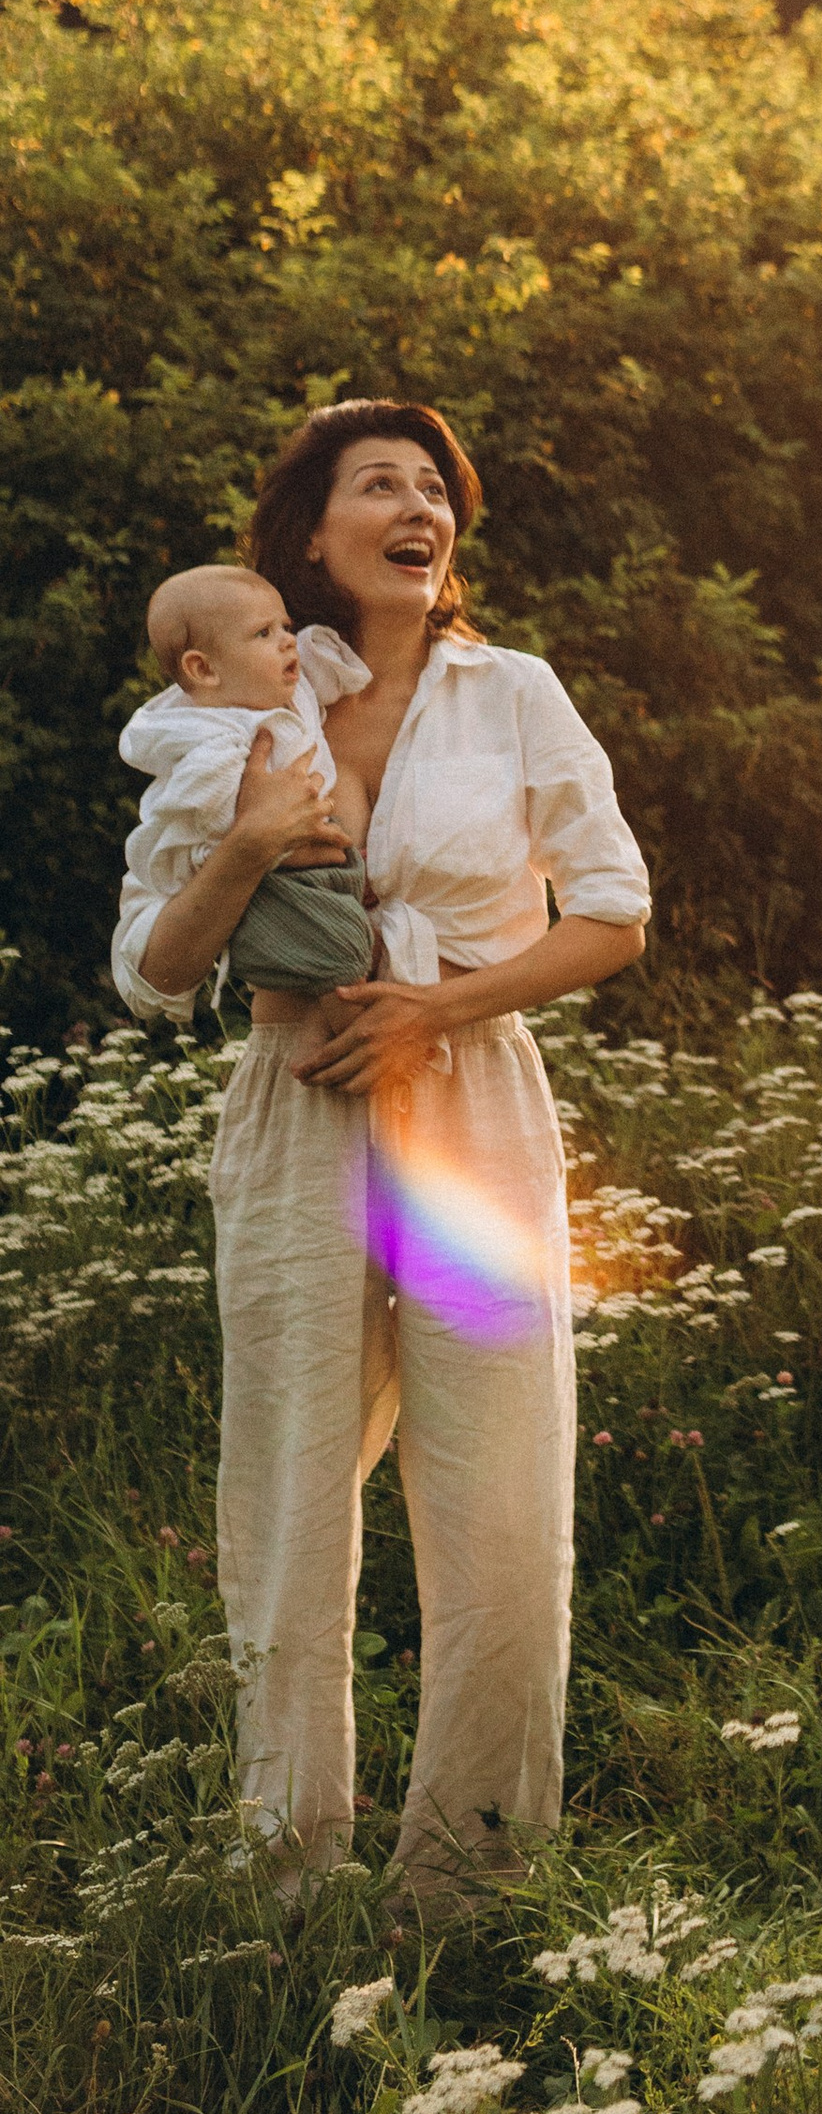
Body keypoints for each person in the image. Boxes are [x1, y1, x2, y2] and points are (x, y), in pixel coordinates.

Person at [114, 401, 650, 1909]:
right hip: (299, 1110)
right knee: (288, 1497)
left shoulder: (517, 693)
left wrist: (437, 1011)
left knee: (499, 1498)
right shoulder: (239, 716)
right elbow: (149, 974)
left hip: (471, 1109)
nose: (420, 507)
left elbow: (616, 913)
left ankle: (471, 1885)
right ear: (313, 533)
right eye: (381, 485)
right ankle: (290, 1877)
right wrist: (242, 843)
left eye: (437, 489)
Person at [117, 566, 412, 1045]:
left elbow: (330, 671)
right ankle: (362, 1042)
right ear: (204, 669)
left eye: (286, 627)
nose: (287, 642)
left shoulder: (290, 693)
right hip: (274, 882)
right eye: (263, 633)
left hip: (316, 863)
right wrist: (260, 839)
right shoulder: (215, 739)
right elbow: (200, 816)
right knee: (335, 956)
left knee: (354, 936)